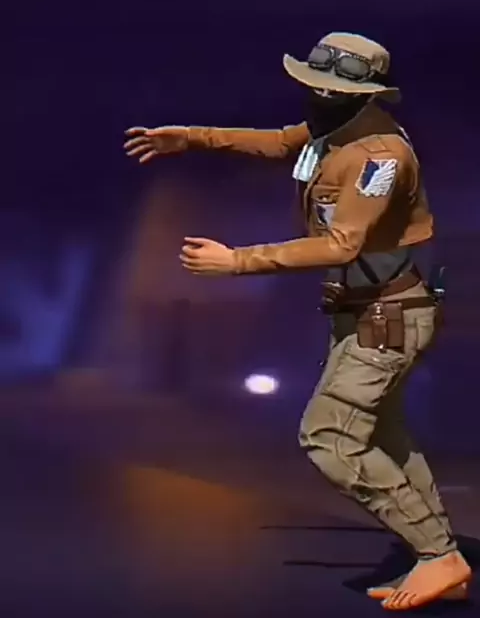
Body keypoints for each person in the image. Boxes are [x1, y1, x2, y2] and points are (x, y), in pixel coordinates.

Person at [123, 32, 471, 610]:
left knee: (330, 436)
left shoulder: (378, 156)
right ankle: (438, 557)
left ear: (362, 95)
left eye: (330, 89)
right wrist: (191, 137)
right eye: (314, 85)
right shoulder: (331, 132)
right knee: (382, 436)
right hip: (364, 309)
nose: (316, 96)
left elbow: (342, 243)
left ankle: (440, 555)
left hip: (388, 314)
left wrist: (237, 261)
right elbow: (277, 142)